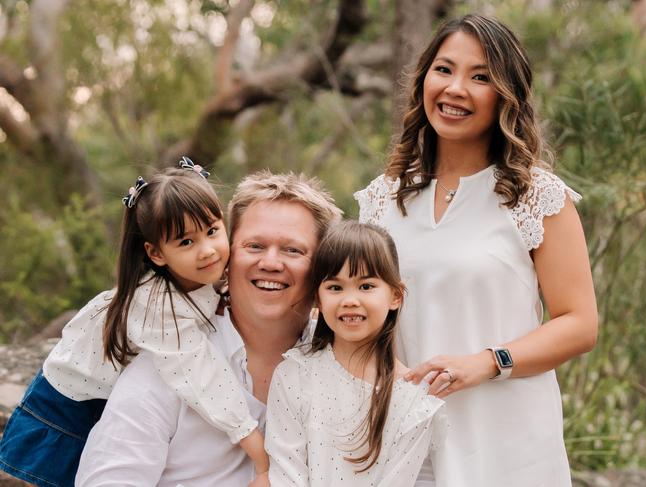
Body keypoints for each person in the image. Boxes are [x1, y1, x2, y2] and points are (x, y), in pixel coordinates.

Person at [355, 14, 598, 487]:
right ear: (423, 78)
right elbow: (360, 318)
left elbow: (579, 323)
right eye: (444, 69)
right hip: (407, 443)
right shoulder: (381, 200)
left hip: (508, 444)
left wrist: (487, 363)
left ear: (506, 95)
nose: (455, 88)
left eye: (480, 77)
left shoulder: (538, 197)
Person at [0, 159, 267, 487]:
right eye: (186, 242)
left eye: (212, 231)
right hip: (73, 402)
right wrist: (252, 440)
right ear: (156, 254)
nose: (207, 251)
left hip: (108, 394)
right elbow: (201, 376)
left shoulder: (204, 272)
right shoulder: (154, 304)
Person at [75, 171, 342, 486]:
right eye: (255, 246)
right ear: (229, 255)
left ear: (323, 266)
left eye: (292, 250)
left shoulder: (341, 365)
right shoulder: (168, 365)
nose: (270, 263)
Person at [265, 221, 447, 487]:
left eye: (366, 286)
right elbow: (285, 472)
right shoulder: (295, 375)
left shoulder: (415, 399)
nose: (350, 300)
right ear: (319, 298)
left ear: (396, 296)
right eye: (335, 287)